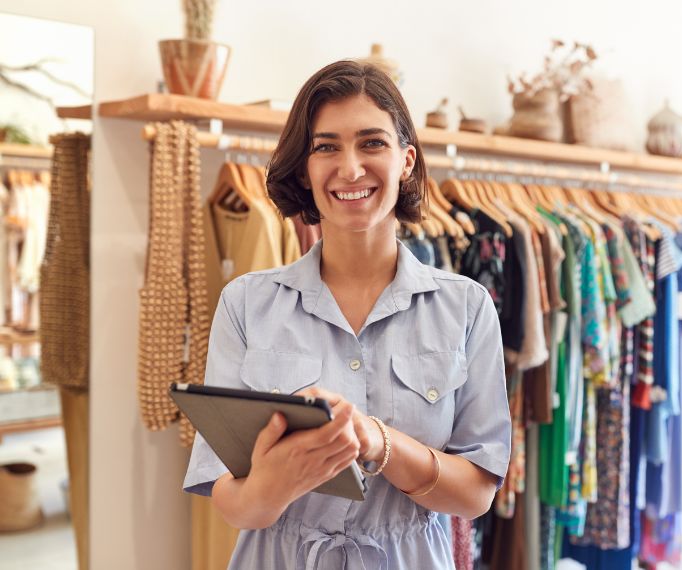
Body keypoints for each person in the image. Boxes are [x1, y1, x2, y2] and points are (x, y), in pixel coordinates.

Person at [182, 60, 512, 568]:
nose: (351, 167)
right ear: (304, 168)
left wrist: (376, 440)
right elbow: (229, 497)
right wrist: (271, 486)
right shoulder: (245, 303)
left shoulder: (466, 307)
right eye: (326, 146)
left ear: (406, 160)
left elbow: (476, 494)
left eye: (372, 142)